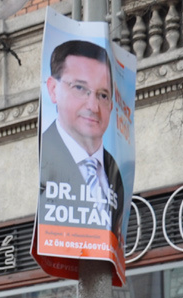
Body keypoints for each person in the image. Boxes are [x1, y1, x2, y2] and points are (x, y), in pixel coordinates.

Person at [40, 39, 126, 237]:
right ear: (53, 90)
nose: (93, 107)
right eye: (80, 88)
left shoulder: (116, 172)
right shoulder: (40, 161)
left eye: (103, 95)